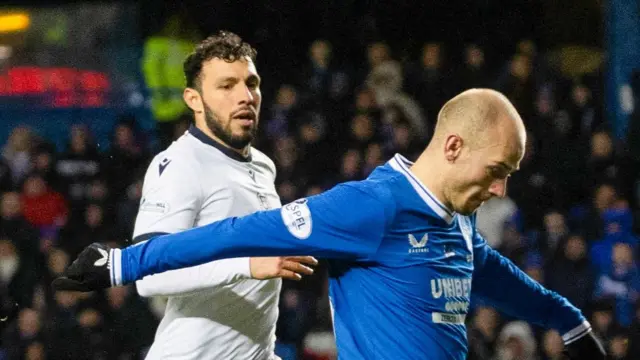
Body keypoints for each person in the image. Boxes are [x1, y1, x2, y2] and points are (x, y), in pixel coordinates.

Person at [53, 89, 606, 360]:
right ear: (455, 147)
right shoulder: (373, 207)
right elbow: (242, 231)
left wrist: (570, 322)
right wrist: (127, 261)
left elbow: (493, 274)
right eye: (497, 172)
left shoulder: (454, 219)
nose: (502, 190)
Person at [117, 31, 317, 360]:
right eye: (226, 86)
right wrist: (248, 265)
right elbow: (149, 277)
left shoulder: (263, 164)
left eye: (251, 83)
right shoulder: (180, 164)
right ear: (194, 100)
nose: (245, 96)